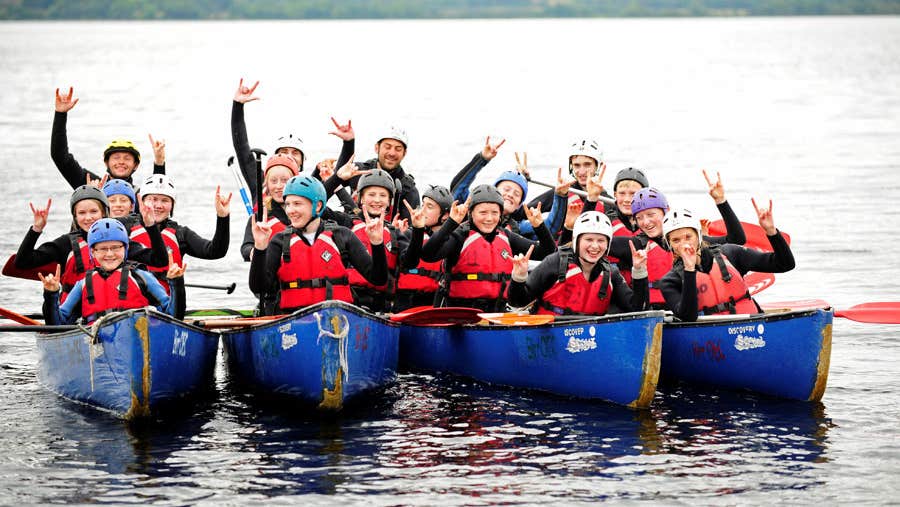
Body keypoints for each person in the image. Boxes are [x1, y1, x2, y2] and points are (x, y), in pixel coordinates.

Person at [248, 175, 388, 314]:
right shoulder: (279, 241)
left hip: (338, 319)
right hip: (292, 322)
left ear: (318, 206)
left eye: (297, 204)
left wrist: (377, 243)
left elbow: (378, 279)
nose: (290, 210)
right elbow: (259, 288)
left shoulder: (342, 236)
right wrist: (260, 248)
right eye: (288, 204)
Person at [606, 172, 746, 308]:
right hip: (655, 314)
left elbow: (737, 239)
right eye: (640, 217)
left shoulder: (687, 241)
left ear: (665, 211)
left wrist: (721, 201)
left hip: (686, 309)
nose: (646, 222)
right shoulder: (634, 245)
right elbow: (590, 246)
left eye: (651, 214)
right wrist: (591, 203)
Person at [16, 186, 168, 303]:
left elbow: (159, 260)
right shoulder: (66, 244)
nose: (88, 218)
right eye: (82, 213)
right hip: (75, 315)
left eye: (93, 211)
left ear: (104, 213)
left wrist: (150, 226)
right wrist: (36, 230)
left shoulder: (118, 242)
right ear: (75, 217)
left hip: (118, 311)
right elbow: (23, 262)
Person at [420, 184, 557, 312]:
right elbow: (427, 254)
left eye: (494, 213)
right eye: (483, 213)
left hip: (497, 314)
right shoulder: (460, 236)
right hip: (460, 314)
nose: (489, 218)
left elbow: (547, 252)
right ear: (471, 213)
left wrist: (540, 227)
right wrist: (451, 223)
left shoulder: (506, 237)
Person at [230, 79, 355, 214]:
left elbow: (339, 175)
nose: (289, 156)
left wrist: (348, 143)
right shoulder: (260, 183)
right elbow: (241, 147)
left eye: (295, 153)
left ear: (301, 164)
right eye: (283, 152)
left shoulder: (309, 189)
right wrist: (238, 105)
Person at [659, 202, 795, 322]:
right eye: (676, 240)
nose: (684, 244)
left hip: (752, 328)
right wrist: (689, 269)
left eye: (688, 237)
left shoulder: (730, 253)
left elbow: (785, 264)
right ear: (669, 244)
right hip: (710, 340)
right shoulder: (670, 281)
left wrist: (771, 232)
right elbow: (688, 317)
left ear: (699, 237)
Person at [40, 218, 183, 325]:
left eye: (116, 247)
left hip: (137, 338)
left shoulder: (142, 277)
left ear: (125, 249)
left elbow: (175, 316)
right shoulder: (82, 285)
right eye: (102, 249)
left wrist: (176, 282)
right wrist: (51, 294)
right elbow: (56, 324)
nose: (109, 254)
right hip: (95, 344)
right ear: (93, 252)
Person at [508, 211, 649, 315]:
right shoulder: (555, 262)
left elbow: (638, 308)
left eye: (601, 241)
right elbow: (518, 302)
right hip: (549, 338)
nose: (595, 246)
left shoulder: (611, 274)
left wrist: (639, 271)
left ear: (608, 244)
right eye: (589, 240)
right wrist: (519, 277)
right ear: (577, 241)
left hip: (590, 341)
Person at [321, 166, 410, 312]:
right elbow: (316, 205)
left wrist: (418, 229)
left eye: (382, 195)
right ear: (361, 198)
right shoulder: (346, 222)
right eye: (371, 194)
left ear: (389, 201)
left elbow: (410, 260)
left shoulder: (396, 232)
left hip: (382, 308)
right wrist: (336, 179)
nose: (377, 200)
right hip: (347, 303)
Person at [129, 174, 230, 295]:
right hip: (132, 302)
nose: (159, 206)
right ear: (142, 201)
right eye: (153, 199)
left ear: (172, 206)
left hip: (167, 305)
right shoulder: (125, 227)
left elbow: (216, 251)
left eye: (165, 200)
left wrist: (222, 217)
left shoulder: (181, 234)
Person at [449, 138, 568, 239]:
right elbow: (458, 189)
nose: (510, 194)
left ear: (518, 206)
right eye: (506, 189)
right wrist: (482, 159)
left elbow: (550, 227)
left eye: (517, 194)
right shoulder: (470, 209)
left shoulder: (518, 227)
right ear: (494, 191)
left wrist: (560, 196)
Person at [51, 87, 165, 188]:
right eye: (116, 157)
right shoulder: (91, 185)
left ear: (136, 165)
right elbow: (61, 158)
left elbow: (159, 195)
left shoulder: (141, 198)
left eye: (127, 158)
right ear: (106, 162)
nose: (121, 162)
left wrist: (159, 163)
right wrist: (60, 114)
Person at [329, 118, 420, 222]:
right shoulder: (358, 171)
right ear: (377, 148)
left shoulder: (409, 188)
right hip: (351, 228)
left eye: (398, 149)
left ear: (404, 153)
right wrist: (348, 143)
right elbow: (337, 177)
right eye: (387, 147)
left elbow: (412, 228)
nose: (392, 153)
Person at [394, 185, 453, 311]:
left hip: (433, 305)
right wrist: (417, 229)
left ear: (445, 215)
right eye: (423, 205)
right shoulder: (408, 234)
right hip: (403, 304)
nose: (423, 210)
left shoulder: (452, 241)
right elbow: (408, 261)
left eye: (429, 207)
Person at [238, 154, 299, 261]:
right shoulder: (260, 217)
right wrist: (253, 251)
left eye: (284, 180)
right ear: (267, 184)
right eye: (274, 181)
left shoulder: (305, 212)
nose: (279, 186)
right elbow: (246, 247)